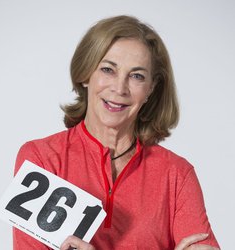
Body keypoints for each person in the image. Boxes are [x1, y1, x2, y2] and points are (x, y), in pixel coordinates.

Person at [13, 15, 220, 250]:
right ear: (85, 74)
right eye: (108, 69)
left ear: (151, 88)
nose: (119, 88)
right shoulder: (42, 158)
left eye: (137, 76)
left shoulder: (177, 175)